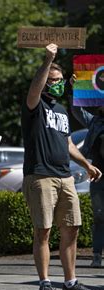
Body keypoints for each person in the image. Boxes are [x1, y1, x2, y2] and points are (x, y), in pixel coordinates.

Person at [23, 43, 101, 290]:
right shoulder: (35, 106)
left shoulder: (60, 110)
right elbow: (35, 88)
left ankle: (70, 283)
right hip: (41, 175)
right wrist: (48, 61)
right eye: (53, 80)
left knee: (72, 228)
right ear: (45, 82)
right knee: (43, 230)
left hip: (64, 176)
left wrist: (86, 164)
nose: (57, 84)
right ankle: (45, 282)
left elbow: (67, 143)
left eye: (60, 80)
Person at [70, 75, 104, 268]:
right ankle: (97, 255)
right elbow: (76, 111)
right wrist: (76, 89)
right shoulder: (94, 122)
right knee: (99, 216)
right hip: (99, 177)